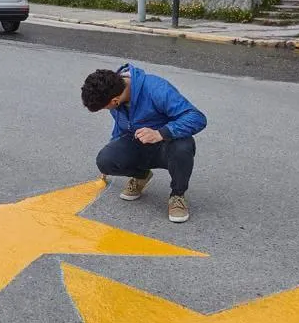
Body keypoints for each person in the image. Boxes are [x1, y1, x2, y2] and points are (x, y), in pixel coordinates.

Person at [81, 65, 207, 224]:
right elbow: (122, 128)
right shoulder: (114, 91)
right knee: (105, 160)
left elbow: (197, 118)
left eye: (105, 107)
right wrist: (110, 159)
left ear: (115, 101)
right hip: (139, 143)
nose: (107, 109)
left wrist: (160, 133)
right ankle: (142, 176)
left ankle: (177, 195)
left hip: (168, 145)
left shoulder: (156, 89)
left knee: (183, 146)